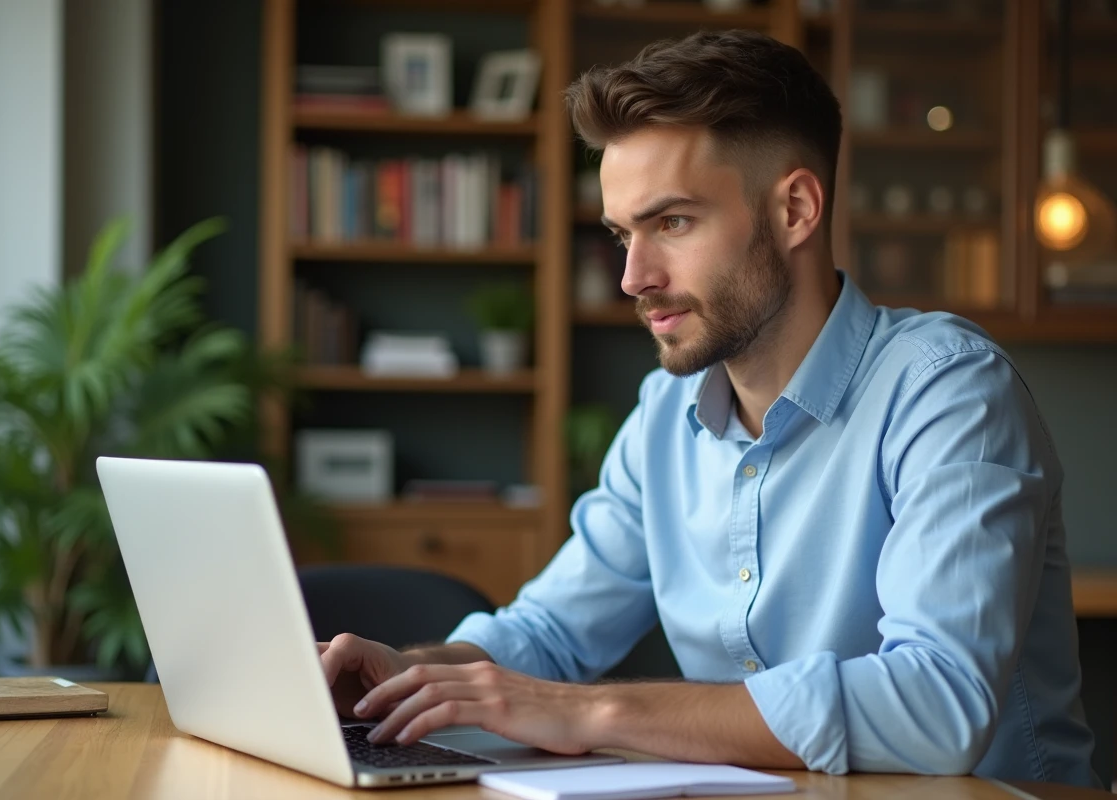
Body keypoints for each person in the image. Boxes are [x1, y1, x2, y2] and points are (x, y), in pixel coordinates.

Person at [319, 30, 1098, 786]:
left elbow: (936, 707)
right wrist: (412, 675)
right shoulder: (664, 416)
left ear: (795, 210)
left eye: (673, 222)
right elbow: (550, 636)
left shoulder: (947, 389)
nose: (633, 276)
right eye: (623, 233)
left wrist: (588, 714)